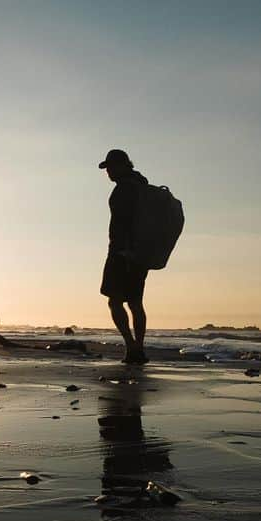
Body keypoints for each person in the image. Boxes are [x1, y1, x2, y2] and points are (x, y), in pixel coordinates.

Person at [99, 147, 150, 364]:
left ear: (122, 165)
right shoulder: (141, 185)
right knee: (135, 302)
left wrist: (125, 250)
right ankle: (138, 348)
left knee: (115, 301)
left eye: (110, 167)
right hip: (141, 253)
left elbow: (126, 223)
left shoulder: (125, 189)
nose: (108, 171)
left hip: (123, 253)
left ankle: (132, 347)